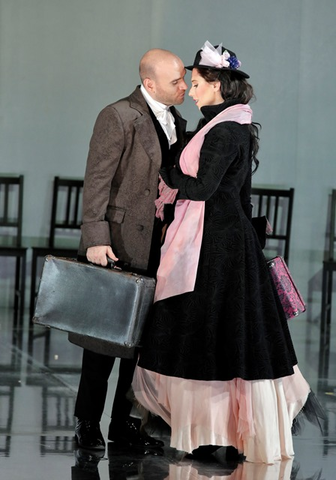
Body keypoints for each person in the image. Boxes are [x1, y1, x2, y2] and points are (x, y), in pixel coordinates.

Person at [132, 41, 324, 464]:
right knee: (220, 339)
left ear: (217, 84)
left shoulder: (223, 130)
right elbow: (241, 196)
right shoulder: (226, 125)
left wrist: (166, 172)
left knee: (212, 338)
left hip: (216, 248)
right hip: (222, 243)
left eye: (197, 83)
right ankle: (218, 431)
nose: (191, 90)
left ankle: (216, 431)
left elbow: (203, 188)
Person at [73, 48, 188, 452]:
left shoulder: (176, 120)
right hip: (119, 242)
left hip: (159, 243)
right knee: (103, 339)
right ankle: (87, 423)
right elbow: (97, 180)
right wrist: (96, 236)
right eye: (176, 81)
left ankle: (125, 424)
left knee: (140, 343)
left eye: (184, 79)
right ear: (150, 82)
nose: (184, 86)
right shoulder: (118, 115)